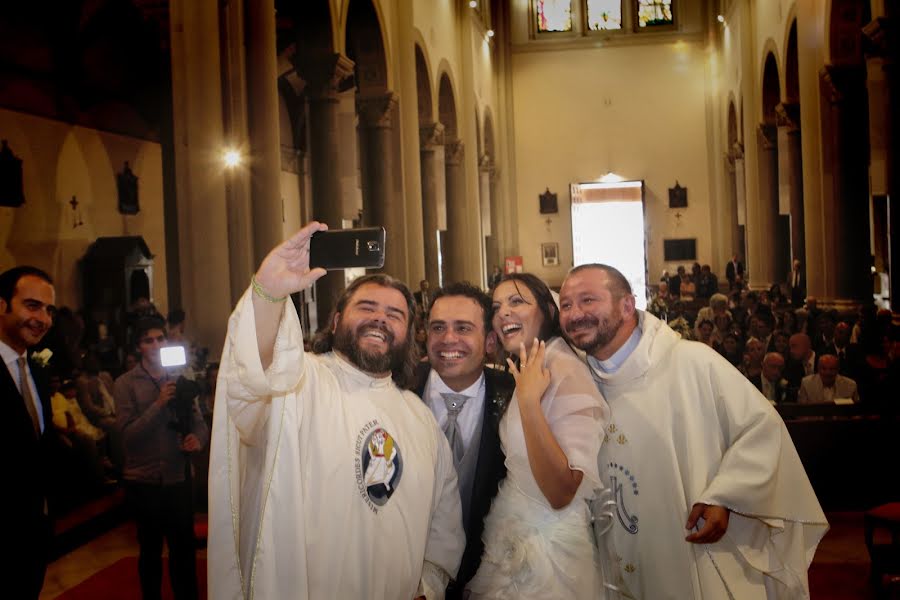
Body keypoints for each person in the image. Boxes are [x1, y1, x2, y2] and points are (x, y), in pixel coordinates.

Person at [207, 222, 464, 599]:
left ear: (410, 335)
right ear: (337, 318)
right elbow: (252, 377)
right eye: (367, 307)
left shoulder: (420, 419)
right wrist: (267, 295)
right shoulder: (298, 381)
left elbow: (444, 524)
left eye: (395, 315)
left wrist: (427, 585)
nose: (381, 318)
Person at [558, 263, 827, 599]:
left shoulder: (691, 362)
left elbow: (762, 428)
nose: (574, 314)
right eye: (566, 305)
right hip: (613, 563)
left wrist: (725, 495)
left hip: (690, 553)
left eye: (587, 300)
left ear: (627, 305)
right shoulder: (577, 384)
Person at [466, 273, 607, 599]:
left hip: (549, 556)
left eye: (517, 302)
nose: (503, 313)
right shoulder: (534, 365)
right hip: (513, 534)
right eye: (497, 306)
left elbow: (561, 491)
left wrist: (530, 403)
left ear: (547, 311)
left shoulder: (564, 369)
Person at [416, 282, 514, 598]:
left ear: (488, 341)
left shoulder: (515, 394)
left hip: (488, 579)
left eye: (463, 328)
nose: (448, 339)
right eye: (438, 328)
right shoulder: (397, 389)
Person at [115, 316, 208, 600]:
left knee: (183, 552)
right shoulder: (126, 383)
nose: (156, 345)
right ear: (138, 347)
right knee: (151, 552)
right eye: (148, 340)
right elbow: (128, 436)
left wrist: (197, 439)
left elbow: (199, 422)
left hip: (179, 476)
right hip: (145, 481)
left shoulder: (180, 377)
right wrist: (157, 405)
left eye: (160, 339)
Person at [0, 266, 58, 599]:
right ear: (2, 305)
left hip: (33, 535)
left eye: (48, 310)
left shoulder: (34, 369)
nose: (44, 319)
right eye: (32, 306)